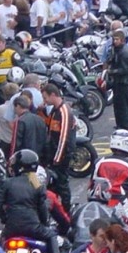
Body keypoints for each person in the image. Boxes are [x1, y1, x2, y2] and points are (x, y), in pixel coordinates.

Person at [0, 150, 60, 253]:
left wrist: (5, 219)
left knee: (2, 240)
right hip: (33, 228)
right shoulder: (38, 186)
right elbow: (42, 210)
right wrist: (43, 224)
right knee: (51, 235)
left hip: (11, 228)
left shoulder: (8, 183)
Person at [41, 83, 74, 211]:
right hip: (55, 154)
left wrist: (57, 159)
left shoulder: (64, 111)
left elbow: (64, 137)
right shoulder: (55, 110)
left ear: (53, 95)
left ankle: (66, 210)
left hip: (62, 155)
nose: (44, 101)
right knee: (55, 184)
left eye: (45, 98)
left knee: (62, 184)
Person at [107, 29, 128, 130]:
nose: (114, 41)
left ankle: (127, 126)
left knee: (125, 106)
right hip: (119, 83)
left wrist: (111, 71)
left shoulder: (126, 52)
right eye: (114, 39)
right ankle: (120, 124)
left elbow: (124, 70)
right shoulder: (117, 50)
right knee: (118, 106)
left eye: (117, 39)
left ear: (122, 40)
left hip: (125, 83)